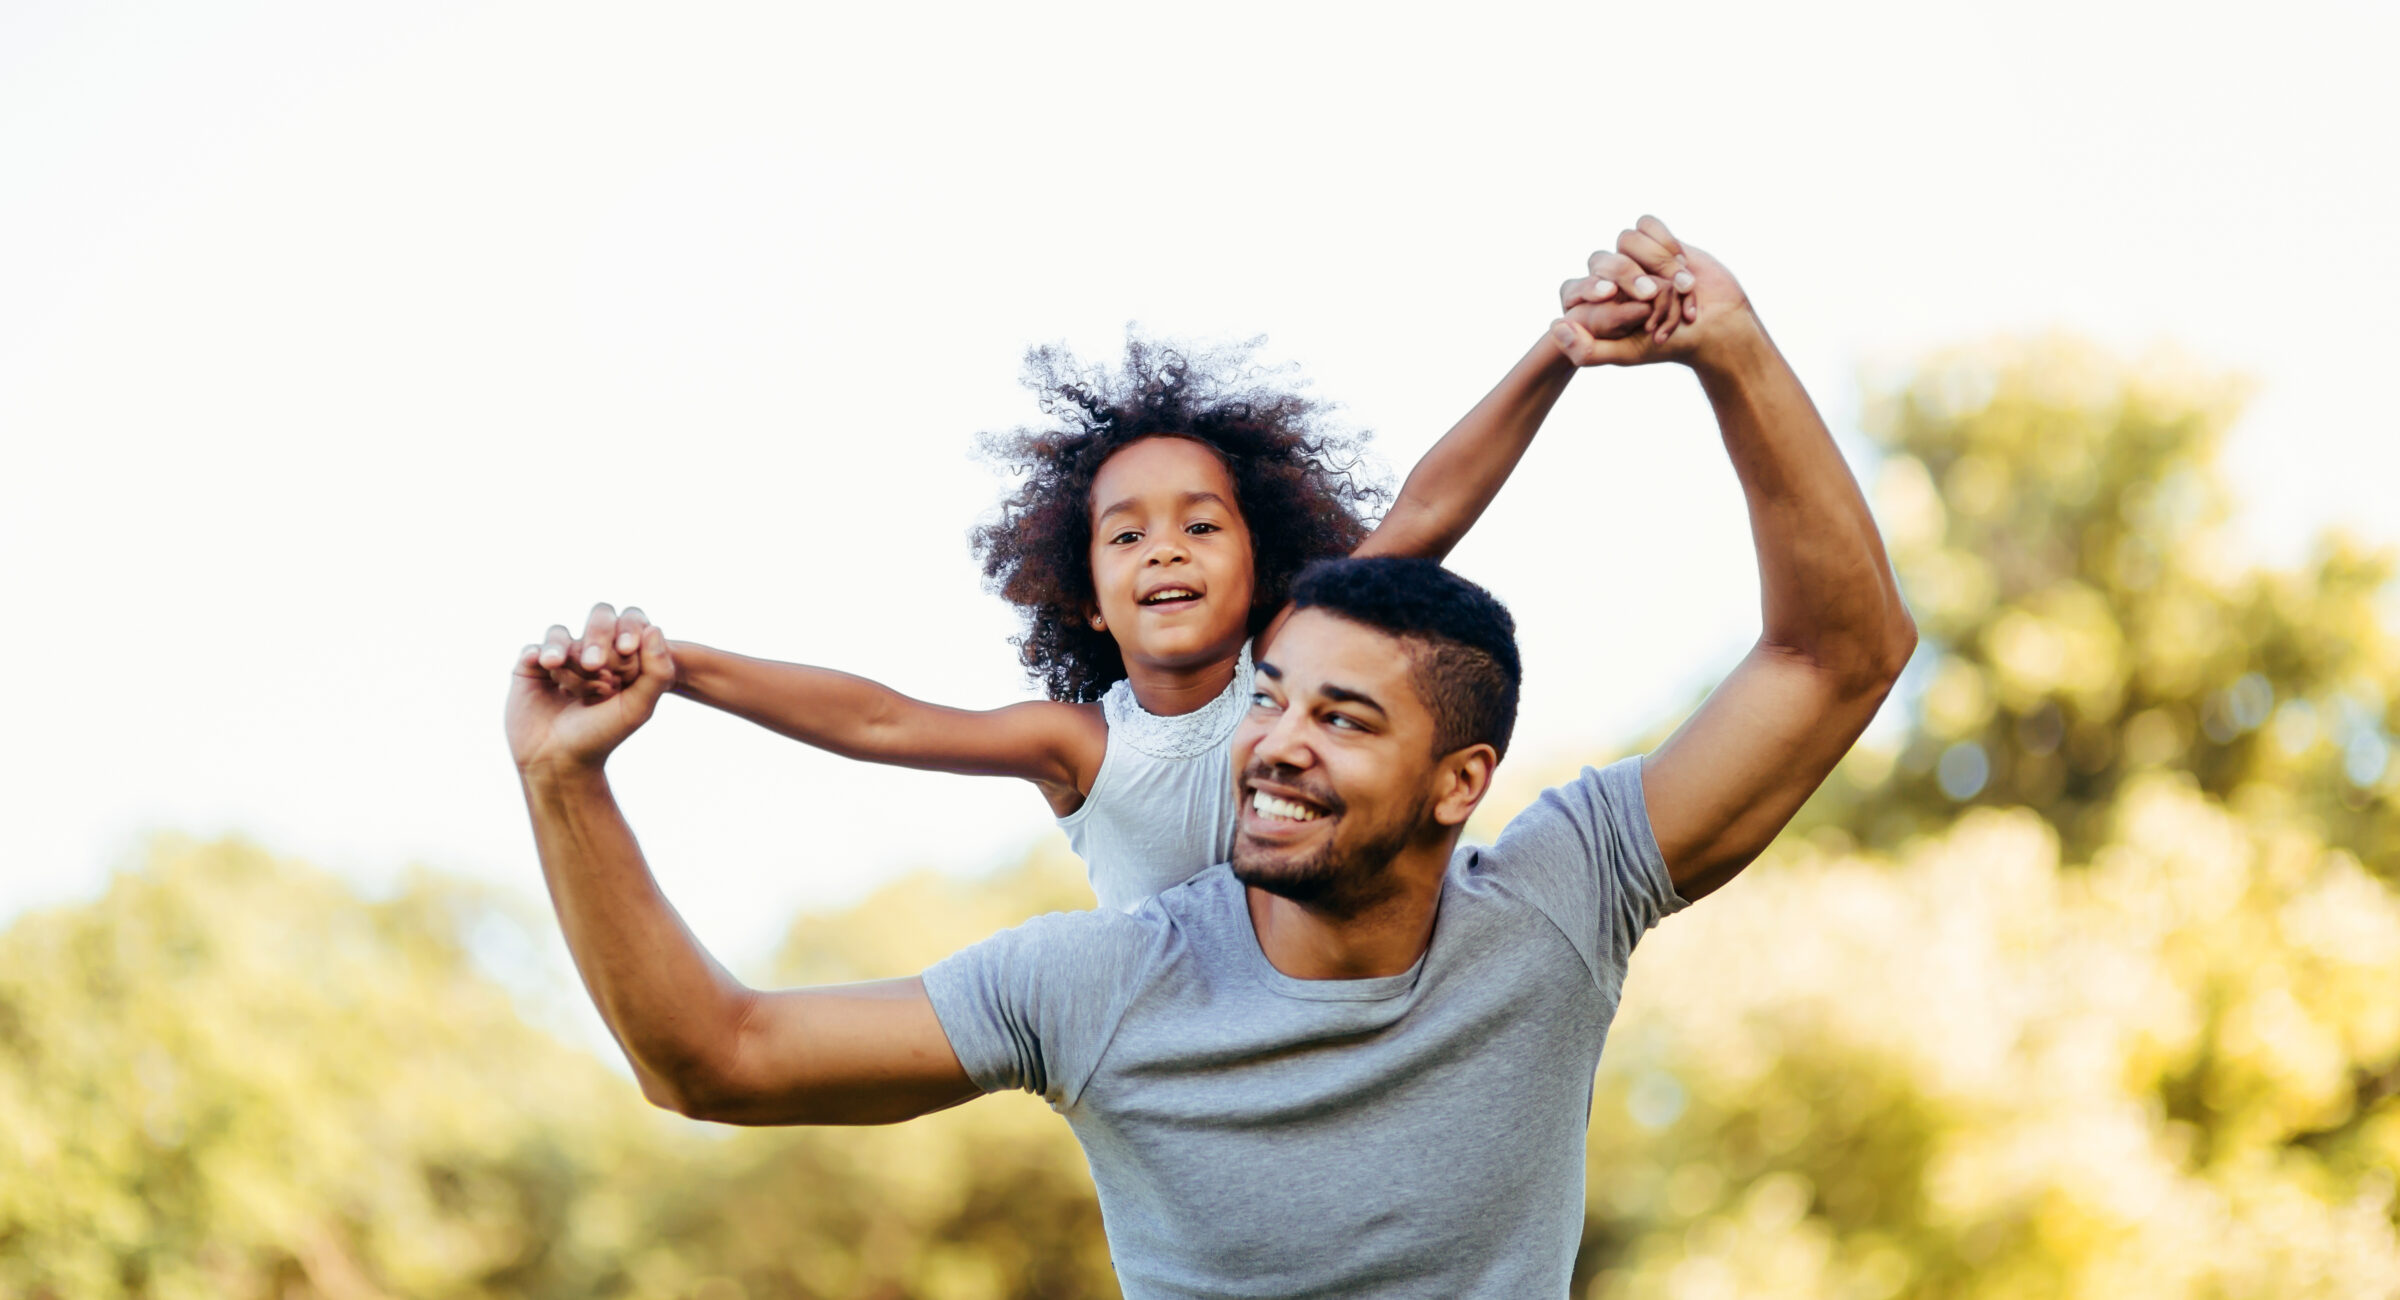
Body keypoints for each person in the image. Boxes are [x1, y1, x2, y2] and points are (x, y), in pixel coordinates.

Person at [505, 220, 1917, 1297]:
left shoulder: (1560, 898)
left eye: (1345, 719)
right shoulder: (1103, 979)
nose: (1278, 741)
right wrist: (573, 777)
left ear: (1460, 784)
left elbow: (1833, 658)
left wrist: (1728, 348)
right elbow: (719, 1060)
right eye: (1276, 702)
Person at [527, 225, 1699, 911]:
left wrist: (1560, 352)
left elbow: (1429, 506)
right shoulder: (1083, 746)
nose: (1165, 551)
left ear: (1267, 562)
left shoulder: (1289, 665)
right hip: (1197, 1048)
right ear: (1088, 594)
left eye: (1201, 525)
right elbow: (882, 720)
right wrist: (678, 666)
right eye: (1127, 535)